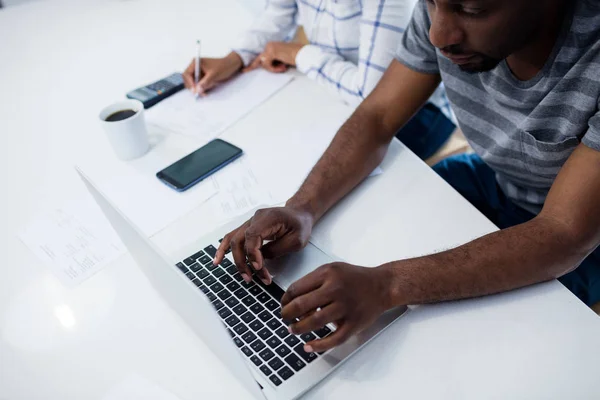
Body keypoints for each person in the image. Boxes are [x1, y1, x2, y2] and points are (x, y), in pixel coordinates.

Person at [212, 0, 600, 355]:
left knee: (493, 349)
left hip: (585, 239)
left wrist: (388, 284)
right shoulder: (442, 15)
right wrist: (301, 207)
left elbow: (564, 234)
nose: (439, 35)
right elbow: (377, 117)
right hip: (494, 180)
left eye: (473, 9)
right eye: (431, 3)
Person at [182, 0, 455, 160]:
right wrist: (235, 58)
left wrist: (298, 53)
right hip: (334, 91)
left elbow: (372, 96)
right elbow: (277, 14)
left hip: (416, 115)